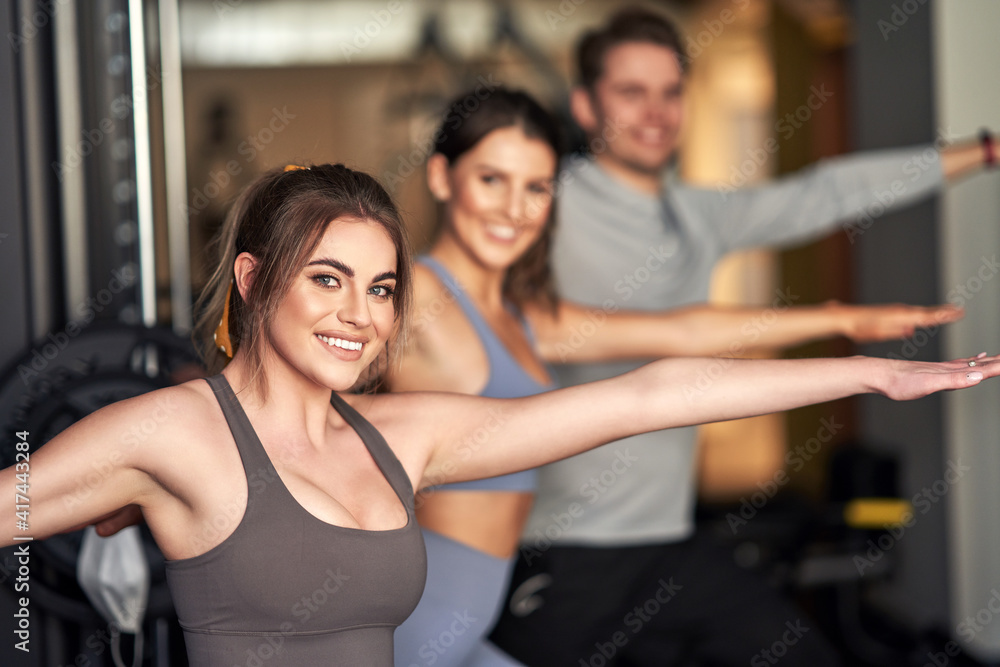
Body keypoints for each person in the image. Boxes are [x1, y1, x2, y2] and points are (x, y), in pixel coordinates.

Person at [2, 163, 994, 667]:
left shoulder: (403, 436)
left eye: (383, 288)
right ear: (256, 282)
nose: (360, 315)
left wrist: (864, 375)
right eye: (329, 279)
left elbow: (644, 394)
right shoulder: (173, 431)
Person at [488, 7, 999, 667]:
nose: (656, 111)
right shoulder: (541, 204)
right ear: (586, 106)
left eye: (671, 91)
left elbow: (826, 193)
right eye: (631, 91)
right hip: (561, 550)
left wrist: (984, 150)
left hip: (671, 541)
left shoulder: (696, 213)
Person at [389, 89, 962, 667]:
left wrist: (845, 320)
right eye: (491, 179)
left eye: (535, 187)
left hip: (475, 620)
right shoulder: (415, 297)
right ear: (442, 177)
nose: (514, 209)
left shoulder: (521, 316)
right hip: (424, 613)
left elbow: (683, 332)